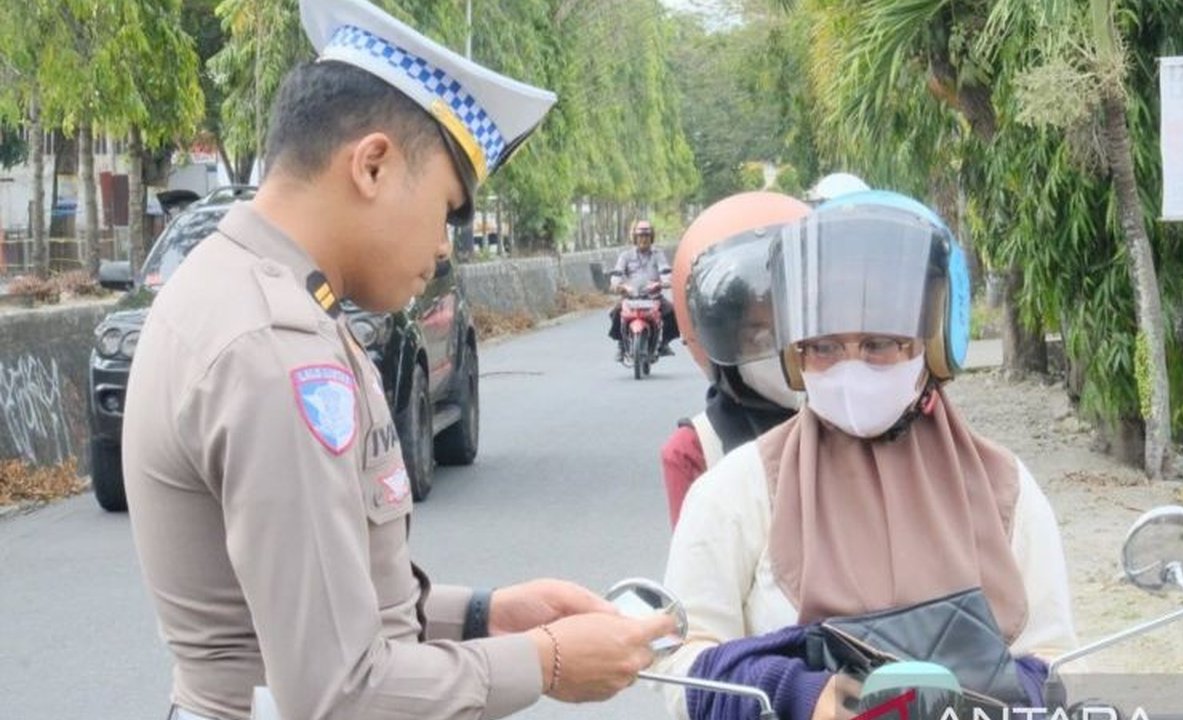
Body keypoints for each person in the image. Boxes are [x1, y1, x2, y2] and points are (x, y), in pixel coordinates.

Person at [122, 2, 672, 719]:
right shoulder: (277, 349)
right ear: (373, 164)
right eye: (445, 209)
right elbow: (340, 693)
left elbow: (320, 611)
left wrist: (488, 616)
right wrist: (547, 662)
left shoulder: (251, 293)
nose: (444, 245)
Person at [653, 192, 1077, 720]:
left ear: (933, 342)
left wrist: (990, 701)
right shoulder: (735, 492)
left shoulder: (1007, 491)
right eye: (824, 346)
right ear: (794, 351)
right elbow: (679, 669)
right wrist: (802, 694)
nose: (850, 368)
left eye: (879, 343)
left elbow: (1059, 661)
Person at [660, 191, 811, 527]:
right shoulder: (697, 449)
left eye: (793, 330)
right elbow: (695, 571)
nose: (780, 350)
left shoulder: (860, 423)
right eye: (756, 337)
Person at [608, 219, 678, 359]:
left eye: (646, 236)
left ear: (651, 237)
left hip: (653, 297)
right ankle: (621, 345)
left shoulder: (658, 254)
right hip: (631, 297)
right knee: (615, 313)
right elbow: (617, 273)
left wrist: (664, 282)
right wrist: (618, 285)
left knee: (671, 312)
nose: (643, 240)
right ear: (635, 238)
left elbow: (665, 271)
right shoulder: (625, 256)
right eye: (640, 236)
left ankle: (664, 343)